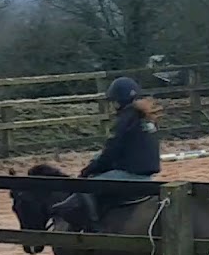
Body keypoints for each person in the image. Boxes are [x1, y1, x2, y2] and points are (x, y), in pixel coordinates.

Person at [50, 76, 162, 231]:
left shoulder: (125, 120)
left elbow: (110, 153)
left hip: (129, 174)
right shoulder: (145, 117)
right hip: (147, 175)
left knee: (86, 187)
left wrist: (90, 170)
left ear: (119, 100)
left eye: (113, 101)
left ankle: (94, 228)